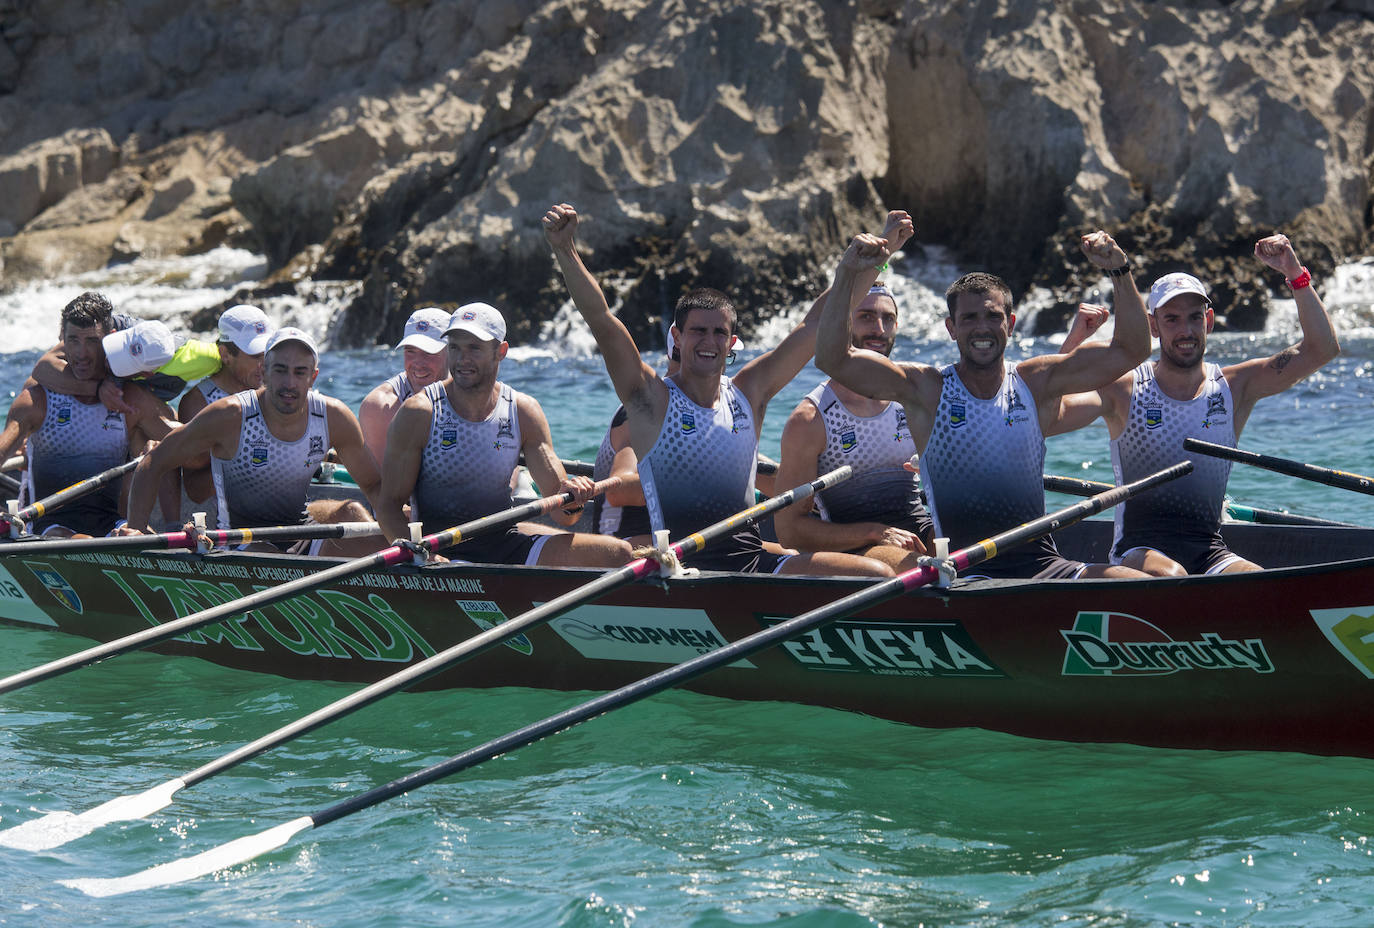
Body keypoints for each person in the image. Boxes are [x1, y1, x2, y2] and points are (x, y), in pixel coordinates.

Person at [544, 201, 901, 578]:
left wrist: (870, 263)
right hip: (680, 564)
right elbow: (602, 320)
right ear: (677, 339)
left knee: (874, 574)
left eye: (719, 333)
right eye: (698, 331)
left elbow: (815, 326)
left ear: (732, 343)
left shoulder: (750, 392)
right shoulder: (652, 399)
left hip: (746, 556)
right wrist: (564, 249)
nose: (709, 342)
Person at [815, 229, 1152, 580]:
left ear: (1011, 324)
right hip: (969, 574)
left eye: (993, 317)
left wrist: (1119, 270)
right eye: (969, 319)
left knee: (1136, 584)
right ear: (951, 328)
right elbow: (832, 359)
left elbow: (1132, 350)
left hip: (1042, 566)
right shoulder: (926, 390)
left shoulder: (1035, 381)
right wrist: (847, 274)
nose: (982, 329)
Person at [1055, 233, 1340, 575]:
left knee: (1256, 581)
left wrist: (1294, 273)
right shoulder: (1124, 389)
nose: (1185, 330)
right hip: (1139, 550)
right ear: (1153, 326)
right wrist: (1074, 343)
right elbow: (1050, 413)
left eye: (1193, 317)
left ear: (1208, 321)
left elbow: (1322, 349)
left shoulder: (1235, 387)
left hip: (1208, 549)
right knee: (1172, 576)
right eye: (1172, 319)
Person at [376, 303, 633, 567]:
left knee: (618, 554)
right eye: (454, 347)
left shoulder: (523, 411)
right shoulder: (419, 412)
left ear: (501, 351)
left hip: (503, 544)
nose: (462, 359)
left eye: (474, 348)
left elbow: (564, 515)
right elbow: (388, 506)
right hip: (439, 551)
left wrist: (572, 499)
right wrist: (418, 554)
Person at [119, 327, 383, 557]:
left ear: (312, 377)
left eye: (299, 372)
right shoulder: (230, 415)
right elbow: (154, 461)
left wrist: (400, 520)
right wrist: (136, 529)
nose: (289, 383)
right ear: (264, 372)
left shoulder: (333, 416)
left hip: (301, 534)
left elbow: (373, 484)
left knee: (354, 512)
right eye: (280, 370)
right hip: (239, 541)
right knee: (271, 556)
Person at [773, 282, 934, 571]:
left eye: (888, 319)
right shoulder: (811, 419)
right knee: (916, 568)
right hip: (856, 544)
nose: (880, 330)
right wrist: (875, 532)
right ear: (841, 324)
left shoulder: (914, 398)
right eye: (867, 317)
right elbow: (789, 531)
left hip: (918, 529)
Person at [0, 292, 178, 537]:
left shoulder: (130, 398)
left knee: (143, 536)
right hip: (45, 524)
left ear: (109, 341)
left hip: (110, 522)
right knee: (80, 538)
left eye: (92, 341)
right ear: (61, 339)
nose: (81, 353)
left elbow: (193, 449)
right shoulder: (37, 399)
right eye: (73, 340)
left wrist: (159, 449)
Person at [176, 304, 276, 507]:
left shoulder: (280, 388)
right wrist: (239, 458)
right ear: (225, 354)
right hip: (232, 520)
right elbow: (195, 490)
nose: (265, 364)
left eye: (269, 352)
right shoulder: (197, 404)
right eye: (256, 355)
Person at [358, 307, 451, 469]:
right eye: (410, 351)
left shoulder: (473, 394)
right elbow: (383, 486)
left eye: (429, 353)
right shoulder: (380, 406)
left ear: (452, 351)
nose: (418, 364)